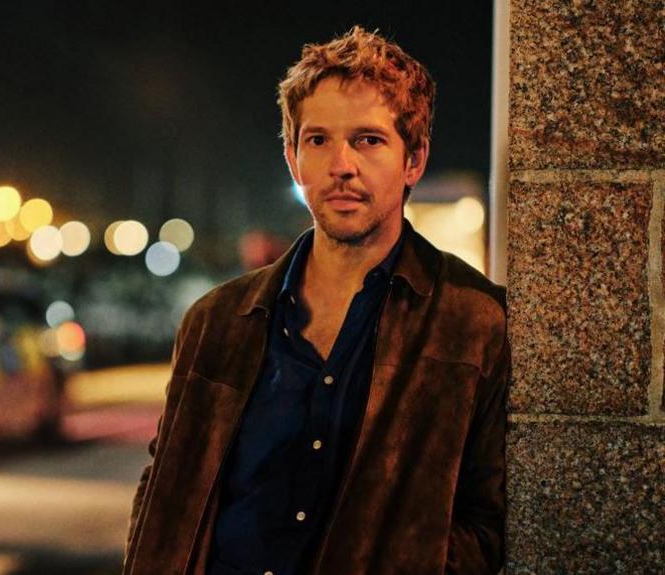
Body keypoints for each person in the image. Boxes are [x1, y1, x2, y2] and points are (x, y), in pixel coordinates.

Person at [123, 26, 508, 575]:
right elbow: (163, 495)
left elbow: (492, 523)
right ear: (293, 158)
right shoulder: (214, 322)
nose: (341, 165)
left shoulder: (474, 322)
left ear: (414, 160)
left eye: (369, 140)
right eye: (318, 139)